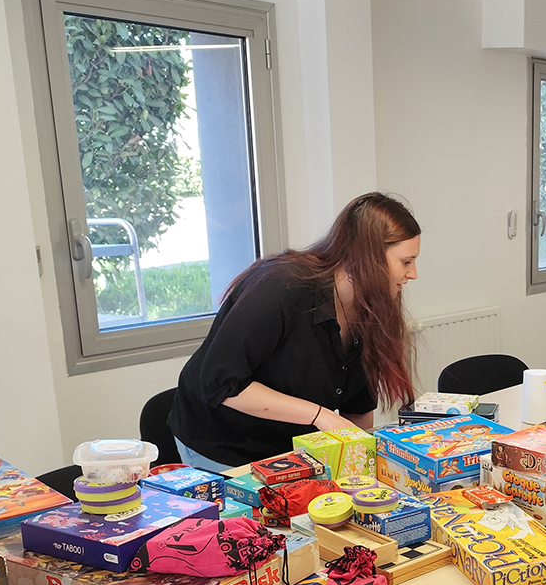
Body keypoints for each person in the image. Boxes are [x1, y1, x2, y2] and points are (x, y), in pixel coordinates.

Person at [169, 193, 419, 470]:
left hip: (287, 447)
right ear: (366, 258)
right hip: (222, 443)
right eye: (406, 262)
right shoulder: (280, 287)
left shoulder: (370, 307)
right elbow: (221, 382)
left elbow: (357, 406)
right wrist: (319, 415)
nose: (413, 274)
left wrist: (363, 463)